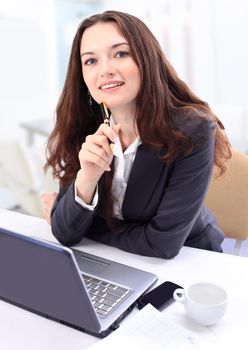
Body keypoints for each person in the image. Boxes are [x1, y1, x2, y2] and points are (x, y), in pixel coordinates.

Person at [43, 10, 231, 259]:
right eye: (90, 61)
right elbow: (65, 233)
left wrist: (89, 229)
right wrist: (87, 178)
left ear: (146, 60)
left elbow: (162, 244)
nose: (105, 70)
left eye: (120, 53)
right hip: (120, 261)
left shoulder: (193, 131)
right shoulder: (84, 127)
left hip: (191, 264)